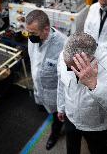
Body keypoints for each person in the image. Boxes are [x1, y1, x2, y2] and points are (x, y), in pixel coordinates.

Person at [57, 32, 107, 154]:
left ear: (88, 59)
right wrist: (61, 107)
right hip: (71, 118)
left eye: (74, 68)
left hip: (95, 126)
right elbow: (61, 84)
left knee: (98, 150)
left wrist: (95, 86)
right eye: (68, 66)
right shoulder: (65, 57)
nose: (69, 69)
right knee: (72, 148)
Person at [26, 10, 66, 150]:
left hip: (55, 94)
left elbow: (65, 79)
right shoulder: (33, 38)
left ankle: (54, 135)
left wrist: (62, 106)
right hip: (39, 88)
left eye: (33, 33)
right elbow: (34, 62)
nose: (30, 37)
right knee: (44, 109)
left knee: (57, 117)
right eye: (28, 32)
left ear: (46, 29)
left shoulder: (63, 45)